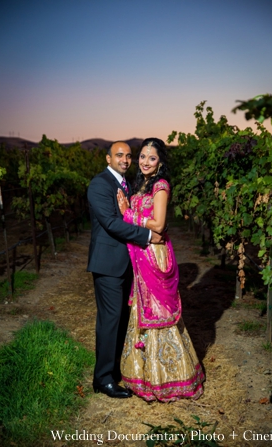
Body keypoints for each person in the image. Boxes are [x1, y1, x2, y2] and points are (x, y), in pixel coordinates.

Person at [117, 137, 205, 402]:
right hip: (141, 252)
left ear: (160, 162)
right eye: (142, 156)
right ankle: (144, 373)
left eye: (151, 158)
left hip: (154, 253)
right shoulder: (141, 184)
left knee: (158, 310)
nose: (145, 162)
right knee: (142, 308)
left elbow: (159, 223)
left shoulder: (160, 185)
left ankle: (169, 376)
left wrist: (128, 213)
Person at [87, 141, 163, 399]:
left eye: (129, 155)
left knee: (120, 319)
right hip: (108, 263)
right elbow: (110, 223)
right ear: (108, 158)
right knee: (109, 321)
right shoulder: (100, 184)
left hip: (126, 262)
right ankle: (103, 379)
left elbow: (128, 214)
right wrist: (148, 236)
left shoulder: (126, 184)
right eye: (119, 155)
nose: (126, 159)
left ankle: (115, 371)